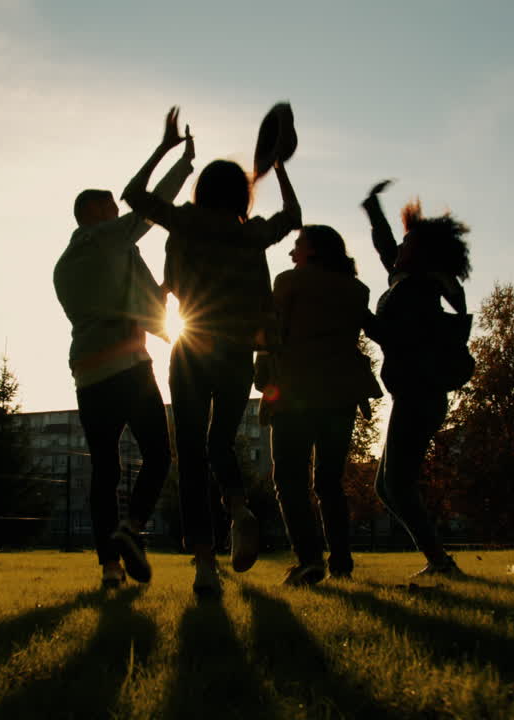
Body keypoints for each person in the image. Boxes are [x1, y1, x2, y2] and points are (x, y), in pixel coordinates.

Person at [123, 111, 301, 597]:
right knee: (220, 441)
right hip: (237, 351)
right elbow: (293, 217)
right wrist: (278, 168)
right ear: (241, 196)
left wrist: (164, 149)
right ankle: (239, 509)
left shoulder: (185, 221)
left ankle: (205, 565)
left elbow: (133, 195)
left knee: (192, 454)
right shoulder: (250, 233)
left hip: (192, 348)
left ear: (201, 191)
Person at [53, 107, 194, 589]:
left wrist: (168, 318)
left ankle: (110, 568)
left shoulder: (67, 263)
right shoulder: (106, 240)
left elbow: (135, 306)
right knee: (158, 454)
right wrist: (177, 158)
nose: (121, 214)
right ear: (94, 213)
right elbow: (151, 205)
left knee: (105, 469)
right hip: (128, 367)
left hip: (88, 372)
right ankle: (131, 528)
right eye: (113, 208)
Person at [361, 180, 472, 578]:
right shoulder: (407, 280)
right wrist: (373, 209)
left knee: (397, 485)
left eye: (407, 242)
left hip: (419, 396)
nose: (399, 246)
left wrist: (358, 311)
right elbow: (386, 249)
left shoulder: (419, 289)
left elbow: (393, 335)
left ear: (421, 252)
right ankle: (438, 559)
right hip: (413, 395)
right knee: (385, 487)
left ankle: (440, 562)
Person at [267, 225, 382, 585]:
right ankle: (341, 564)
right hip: (341, 396)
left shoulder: (289, 282)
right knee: (330, 482)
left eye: (297, 245)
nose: (291, 253)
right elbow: (375, 330)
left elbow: (271, 334)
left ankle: (309, 560)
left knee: (290, 478)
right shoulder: (357, 289)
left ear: (314, 250)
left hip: (295, 393)